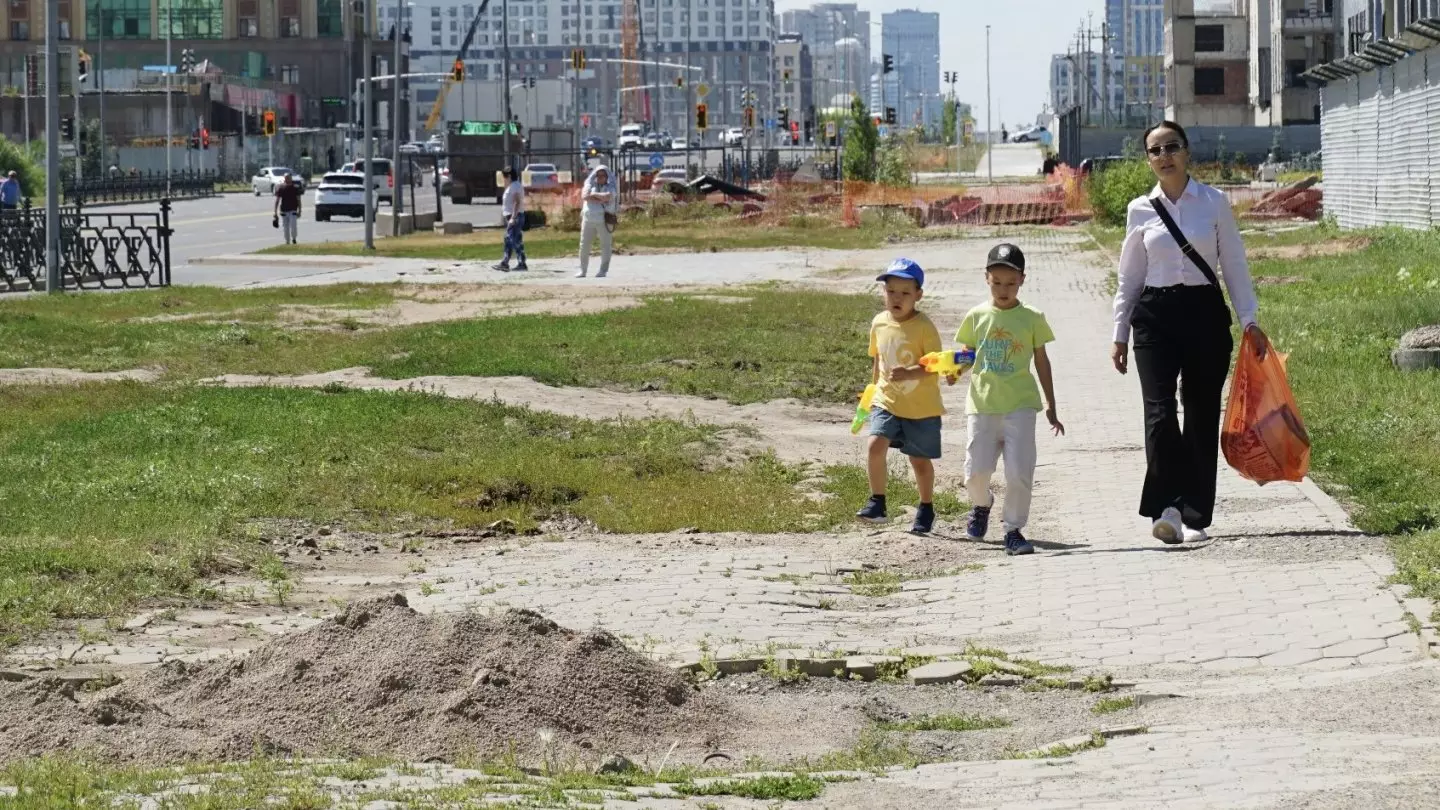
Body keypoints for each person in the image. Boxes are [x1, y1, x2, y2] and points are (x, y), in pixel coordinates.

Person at [1111, 120, 1268, 545]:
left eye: (1171, 147)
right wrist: (1119, 331)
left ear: (1187, 153)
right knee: (1160, 415)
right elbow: (1130, 276)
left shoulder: (1214, 203)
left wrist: (1249, 320)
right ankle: (1167, 508)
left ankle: (1194, 513)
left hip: (1203, 314)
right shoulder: (1140, 209)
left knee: (1199, 415)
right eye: (1155, 150)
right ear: (1148, 160)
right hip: (1155, 317)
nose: (1164, 156)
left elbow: (1234, 265)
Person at [956, 244, 1064, 556]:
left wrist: (1050, 404)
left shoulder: (1031, 317)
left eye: (1011, 283)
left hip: (1020, 406)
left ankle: (1013, 530)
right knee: (975, 473)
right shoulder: (976, 316)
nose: (1004, 289)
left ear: (1022, 280)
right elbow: (966, 354)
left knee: (1019, 472)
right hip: (983, 405)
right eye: (997, 282)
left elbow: (1042, 361)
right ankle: (981, 504)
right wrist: (954, 370)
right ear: (986, 278)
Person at [856, 258, 949, 535]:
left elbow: (935, 367)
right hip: (887, 401)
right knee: (875, 445)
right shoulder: (879, 323)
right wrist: (872, 392)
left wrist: (910, 373)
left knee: (918, 462)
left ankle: (926, 506)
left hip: (921, 409)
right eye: (891, 291)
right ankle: (877, 503)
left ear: (918, 295)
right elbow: (878, 361)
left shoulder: (924, 327)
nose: (897, 298)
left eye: (905, 293)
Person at [577, 164, 616, 278]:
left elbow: (608, 196)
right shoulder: (590, 185)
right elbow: (585, 196)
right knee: (584, 245)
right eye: (598, 175)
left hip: (604, 219)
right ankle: (582, 270)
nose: (600, 178)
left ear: (607, 176)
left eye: (603, 175)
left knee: (605, 245)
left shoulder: (610, 186)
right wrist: (599, 198)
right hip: (588, 218)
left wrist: (594, 195)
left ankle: (603, 270)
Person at [494, 167, 528, 272]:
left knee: (512, 240)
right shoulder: (512, 186)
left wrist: (513, 217)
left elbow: (516, 202)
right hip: (513, 216)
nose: (503, 179)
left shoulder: (515, 186)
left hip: (515, 216)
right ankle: (505, 263)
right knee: (510, 239)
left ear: (508, 176)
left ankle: (521, 263)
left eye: (504, 177)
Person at [273, 172, 303, 244]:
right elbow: (277, 200)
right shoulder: (281, 188)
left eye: (288, 178)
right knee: (285, 228)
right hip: (284, 211)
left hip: (293, 210)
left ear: (291, 178)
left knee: (293, 226)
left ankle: (294, 238)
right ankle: (287, 241)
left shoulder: (295, 188)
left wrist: (299, 211)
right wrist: (275, 212)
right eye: (286, 178)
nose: (287, 179)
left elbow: (299, 200)